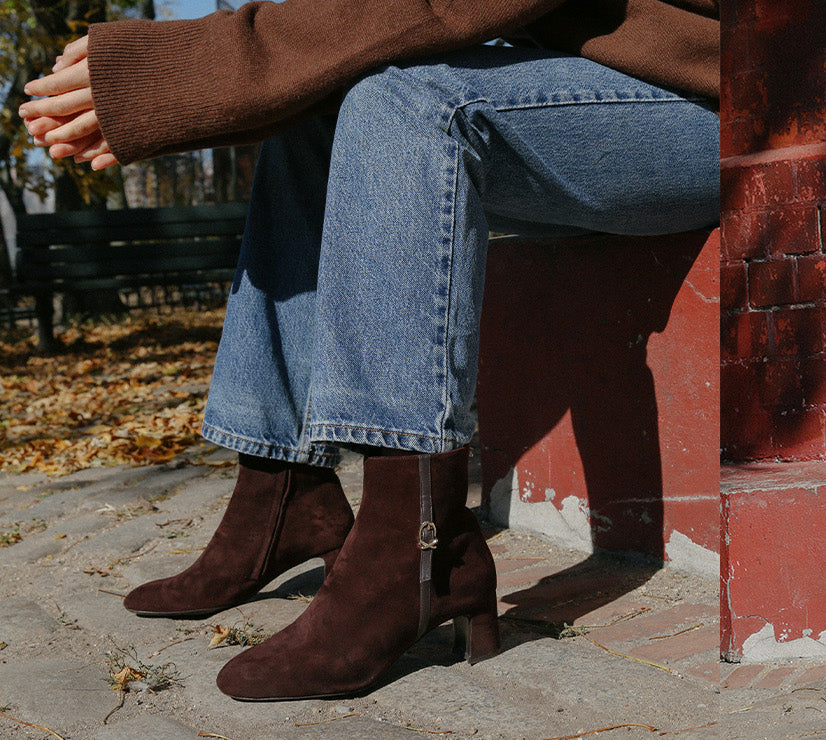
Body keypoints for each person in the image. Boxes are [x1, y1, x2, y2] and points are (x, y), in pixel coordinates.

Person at [19, 0, 718, 702]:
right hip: (615, 85)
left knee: (409, 107)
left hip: (736, 104)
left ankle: (418, 546)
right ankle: (282, 488)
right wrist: (196, 94)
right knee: (310, 128)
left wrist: (195, 71)